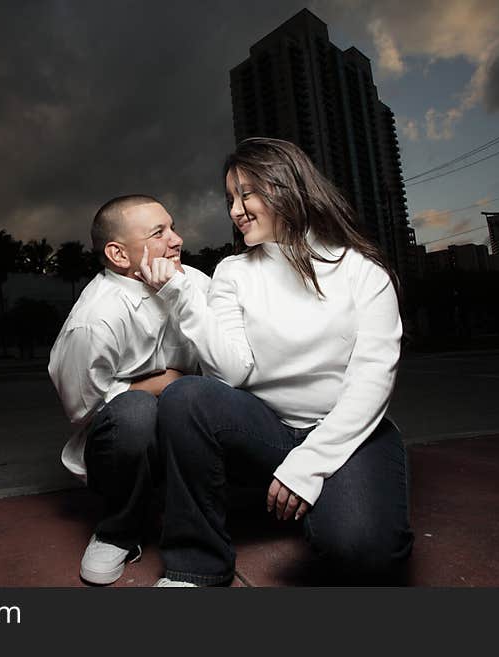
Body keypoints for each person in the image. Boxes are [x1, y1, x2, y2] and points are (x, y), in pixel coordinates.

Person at [137, 138, 414, 586]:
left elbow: (371, 386)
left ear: (289, 188)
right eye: (230, 198)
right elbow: (230, 373)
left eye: (247, 193)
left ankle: (318, 498)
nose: (235, 210)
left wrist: (309, 466)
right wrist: (180, 298)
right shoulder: (233, 272)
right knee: (186, 395)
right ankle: (196, 565)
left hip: (348, 432)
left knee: (364, 552)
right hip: (268, 429)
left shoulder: (363, 272)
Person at [48, 195, 211, 585]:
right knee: (134, 412)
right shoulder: (94, 320)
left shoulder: (196, 282)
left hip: (189, 423)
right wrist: (166, 383)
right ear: (119, 255)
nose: (177, 240)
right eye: (159, 233)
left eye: (172, 227)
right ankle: (119, 529)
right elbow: (83, 409)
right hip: (125, 444)